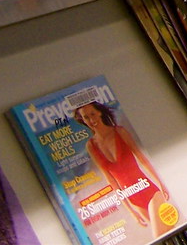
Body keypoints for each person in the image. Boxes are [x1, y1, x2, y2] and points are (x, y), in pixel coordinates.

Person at [72, 101, 176, 238]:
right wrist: (131, 212)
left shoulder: (119, 132)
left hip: (149, 191)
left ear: (100, 112)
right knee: (170, 234)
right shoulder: (91, 145)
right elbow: (111, 180)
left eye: (92, 114)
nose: (91, 120)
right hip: (133, 199)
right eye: (86, 117)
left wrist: (161, 184)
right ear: (83, 120)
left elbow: (142, 159)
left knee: (159, 236)